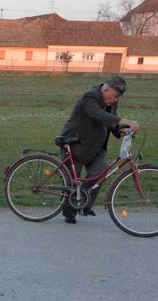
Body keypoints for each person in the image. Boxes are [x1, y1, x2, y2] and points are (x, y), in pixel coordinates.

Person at [58, 76, 139, 223]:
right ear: (106, 88)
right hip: (75, 144)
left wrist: (120, 131)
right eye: (114, 96)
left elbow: (110, 119)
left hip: (96, 146)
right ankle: (69, 212)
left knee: (100, 173)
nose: (115, 100)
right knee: (71, 182)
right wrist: (126, 121)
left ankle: (84, 204)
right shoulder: (90, 96)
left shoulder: (112, 101)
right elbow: (98, 115)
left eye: (118, 97)